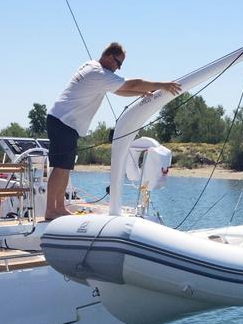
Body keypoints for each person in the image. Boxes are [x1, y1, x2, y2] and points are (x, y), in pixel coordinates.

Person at [45, 42, 181, 219]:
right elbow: (132, 84)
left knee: (65, 167)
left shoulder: (91, 66)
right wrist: (162, 85)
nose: (119, 68)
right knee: (60, 167)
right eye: (118, 63)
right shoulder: (98, 73)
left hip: (64, 121)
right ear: (109, 57)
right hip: (63, 121)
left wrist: (139, 93)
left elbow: (120, 90)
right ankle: (51, 209)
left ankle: (59, 207)